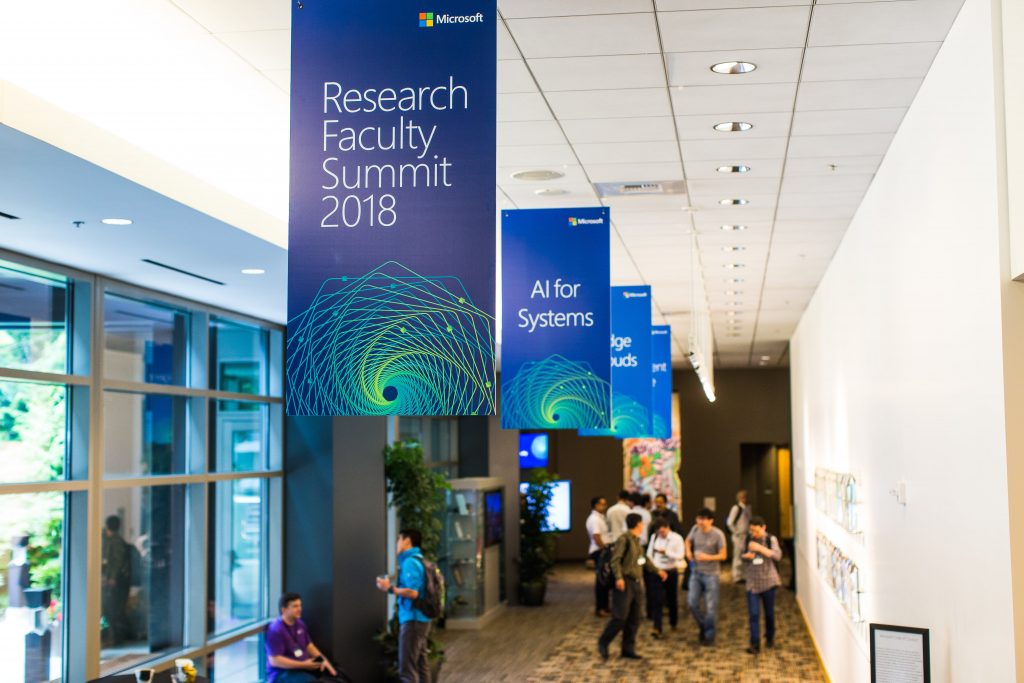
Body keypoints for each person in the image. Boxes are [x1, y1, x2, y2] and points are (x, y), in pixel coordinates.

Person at [597, 513, 667, 661]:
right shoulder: (624, 539)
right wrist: (619, 578)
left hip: (636, 583)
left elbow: (643, 559)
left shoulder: (636, 541)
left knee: (635, 617)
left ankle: (628, 649)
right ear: (637, 524)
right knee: (620, 617)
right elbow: (615, 561)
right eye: (642, 523)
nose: (643, 526)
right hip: (625, 582)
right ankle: (604, 641)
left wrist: (657, 571)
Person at [376, 529, 432, 683]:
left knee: (407, 669)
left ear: (407, 541)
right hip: (421, 618)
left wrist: (389, 588)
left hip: (413, 619)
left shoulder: (410, 562)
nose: (396, 544)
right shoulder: (418, 559)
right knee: (421, 665)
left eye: (399, 539)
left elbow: (413, 592)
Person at [265, 593, 340, 683]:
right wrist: (304, 665)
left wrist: (326, 663)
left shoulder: (300, 624)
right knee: (311, 681)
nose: (300, 609)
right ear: (284, 610)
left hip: (303, 666)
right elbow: (275, 661)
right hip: (282, 673)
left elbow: (309, 646)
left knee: (336, 673)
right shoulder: (275, 630)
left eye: (300, 605)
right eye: (295, 606)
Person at [685, 508, 727, 646]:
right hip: (696, 572)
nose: (700, 522)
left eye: (703, 519)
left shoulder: (718, 534)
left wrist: (707, 557)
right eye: (698, 519)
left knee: (711, 607)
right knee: (692, 603)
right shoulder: (695, 529)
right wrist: (688, 553)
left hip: (711, 574)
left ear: (711, 520)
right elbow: (688, 541)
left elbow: (723, 555)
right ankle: (704, 626)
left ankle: (708, 635)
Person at [742, 516, 783, 654]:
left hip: (768, 581)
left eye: (756, 531)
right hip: (752, 582)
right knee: (753, 614)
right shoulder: (748, 539)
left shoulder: (771, 539)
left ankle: (770, 636)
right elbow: (741, 556)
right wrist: (747, 556)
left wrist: (760, 548)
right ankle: (755, 644)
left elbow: (777, 556)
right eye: (752, 531)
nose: (754, 534)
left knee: (769, 613)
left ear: (763, 528)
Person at [646, 519, 684, 638]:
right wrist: (655, 569)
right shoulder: (654, 537)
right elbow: (649, 555)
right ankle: (657, 627)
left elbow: (680, 556)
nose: (661, 533)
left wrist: (666, 552)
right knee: (657, 600)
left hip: (671, 571)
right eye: (659, 531)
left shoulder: (677, 538)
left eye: (663, 531)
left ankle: (673, 623)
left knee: (671, 599)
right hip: (657, 572)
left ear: (668, 528)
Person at [101, 515, 131, 645]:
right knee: (114, 608)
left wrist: (112, 577)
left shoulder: (114, 541)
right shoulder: (113, 539)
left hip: (116, 580)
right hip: (115, 579)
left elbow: (117, 561)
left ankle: (117, 637)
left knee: (113, 608)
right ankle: (115, 637)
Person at [586, 496, 611, 616]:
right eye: (602, 504)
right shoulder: (594, 519)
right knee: (601, 580)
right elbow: (597, 537)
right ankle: (600, 608)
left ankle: (605, 606)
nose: (604, 506)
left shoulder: (600, 518)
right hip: (599, 551)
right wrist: (604, 549)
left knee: (605, 579)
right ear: (595, 505)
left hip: (602, 550)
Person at [726, 490, 752, 583]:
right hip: (738, 535)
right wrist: (736, 532)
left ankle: (744, 575)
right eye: (744, 497)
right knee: (737, 556)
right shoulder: (736, 508)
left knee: (745, 555)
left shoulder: (747, 508)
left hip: (746, 535)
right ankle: (737, 576)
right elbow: (729, 523)